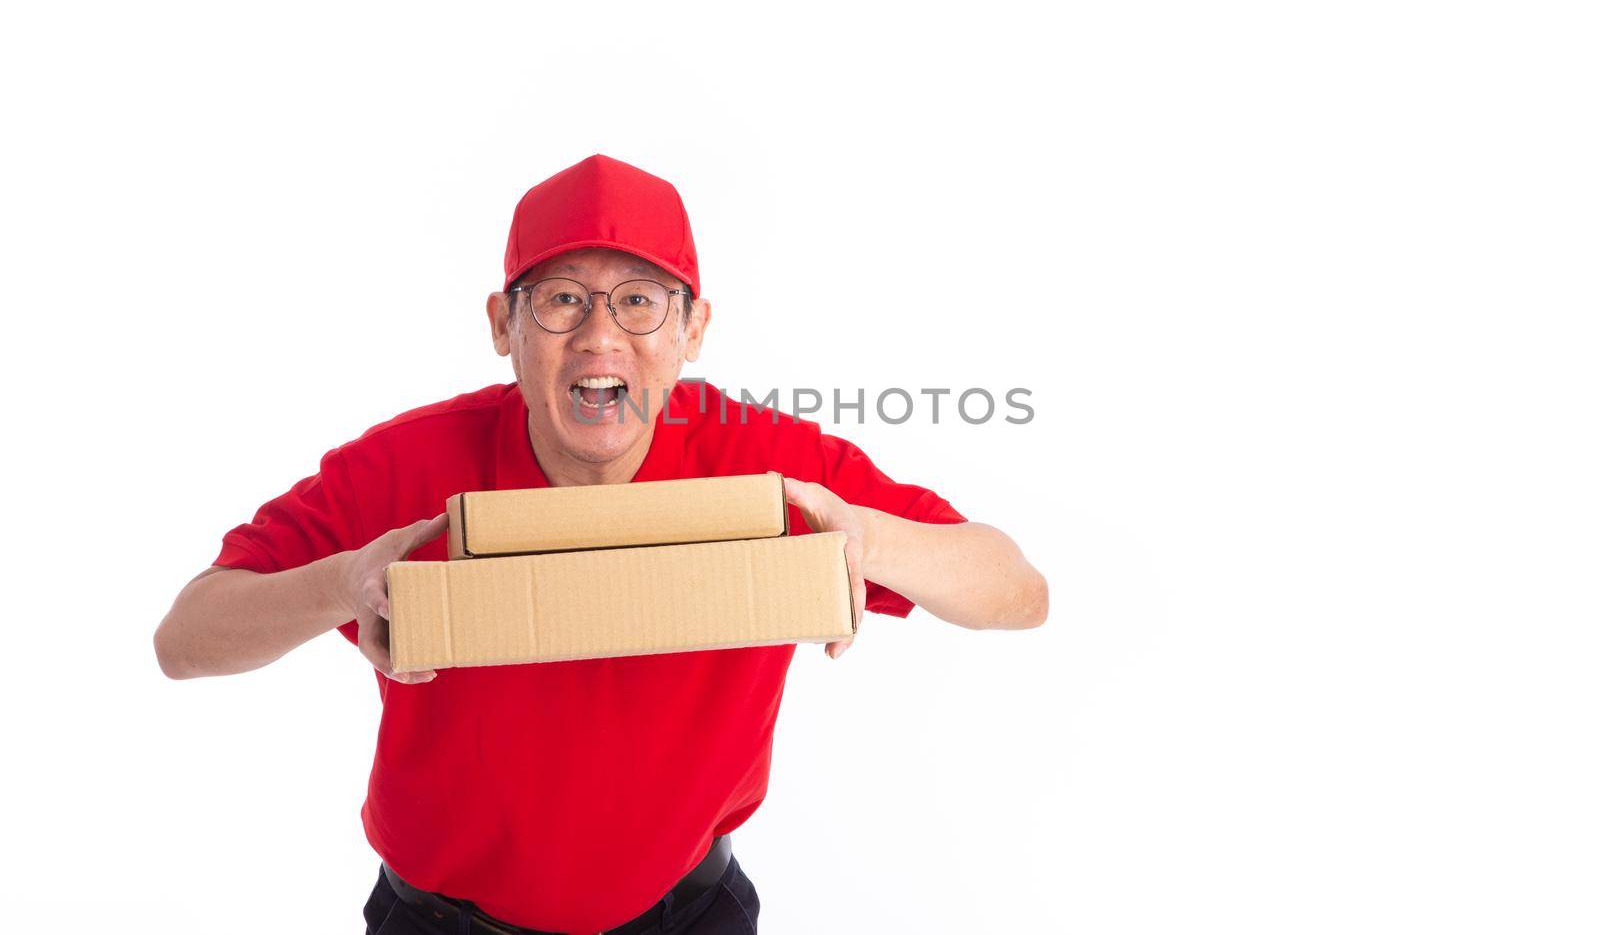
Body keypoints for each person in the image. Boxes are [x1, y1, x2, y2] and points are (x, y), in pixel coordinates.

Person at [153, 153, 1049, 935]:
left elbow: (1018, 591)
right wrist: (340, 585)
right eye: (561, 301)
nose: (599, 336)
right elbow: (185, 640)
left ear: (693, 330)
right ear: (503, 326)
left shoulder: (773, 471)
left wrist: (870, 537)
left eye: (638, 302)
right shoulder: (405, 467)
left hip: (692, 915)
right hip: (436, 923)